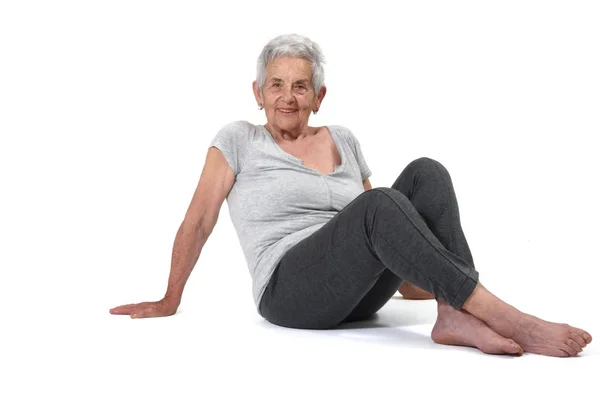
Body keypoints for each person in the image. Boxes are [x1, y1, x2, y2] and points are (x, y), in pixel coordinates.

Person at [110, 34, 592, 357]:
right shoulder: (238, 140)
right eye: (276, 85)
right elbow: (199, 220)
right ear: (257, 92)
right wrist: (169, 298)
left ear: (319, 96)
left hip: (357, 294)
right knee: (378, 201)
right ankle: (506, 316)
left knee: (427, 173)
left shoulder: (344, 138)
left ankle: (454, 312)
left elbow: (385, 231)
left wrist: (422, 275)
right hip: (290, 292)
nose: (287, 97)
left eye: (301, 86)